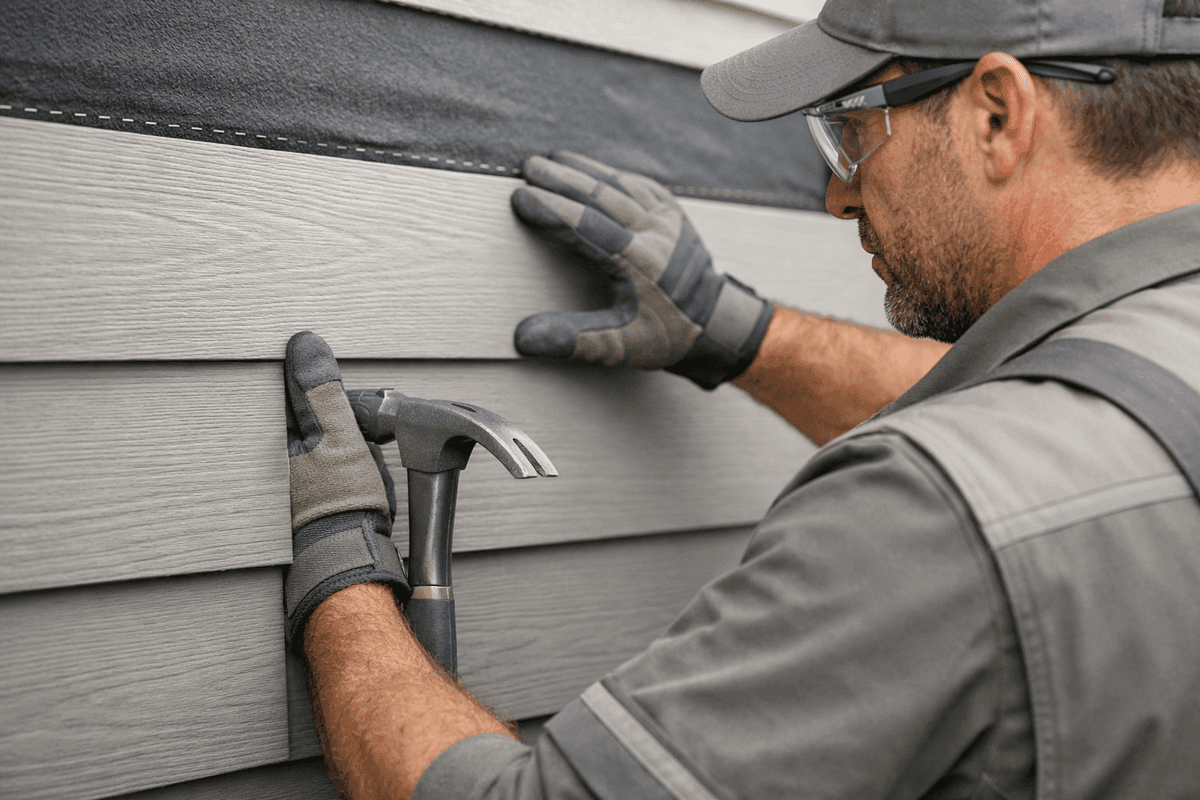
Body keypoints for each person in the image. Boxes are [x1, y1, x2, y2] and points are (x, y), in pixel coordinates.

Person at [281, 0, 1200, 797]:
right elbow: (1074, 415)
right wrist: (739, 332)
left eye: (850, 127)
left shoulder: (924, 516)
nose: (837, 194)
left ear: (999, 114)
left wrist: (343, 582)